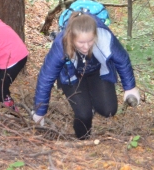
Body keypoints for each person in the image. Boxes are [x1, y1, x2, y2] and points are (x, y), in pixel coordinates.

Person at [32, 11, 139, 139]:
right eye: (81, 43)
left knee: (109, 110)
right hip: (71, 75)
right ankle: (83, 140)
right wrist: (39, 111)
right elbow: (46, 78)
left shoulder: (104, 36)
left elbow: (122, 60)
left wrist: (130, 88)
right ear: (72, 38)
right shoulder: (61, 45)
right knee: (83, 114)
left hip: (97, 71)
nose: (86, 47)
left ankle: (91, 103)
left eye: (90, 41)